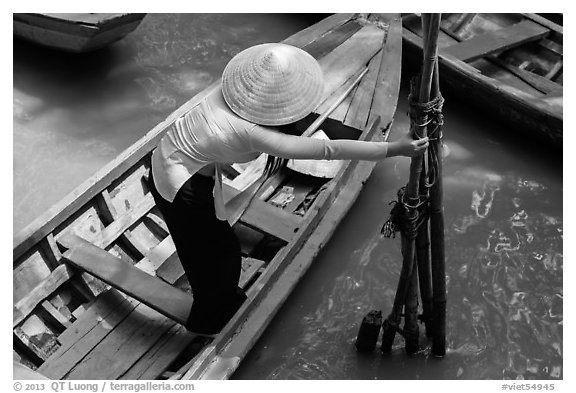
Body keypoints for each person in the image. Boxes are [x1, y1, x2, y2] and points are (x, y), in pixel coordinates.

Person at [149, 43, 428, 337]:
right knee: (220, 256)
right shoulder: (250, 131)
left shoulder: (229, 92)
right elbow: (328, 149)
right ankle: (207, 324)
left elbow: (298, 127)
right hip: (180, 184)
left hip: (171, 154)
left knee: (213, 248)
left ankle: (220, 300)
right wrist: (394, 148)